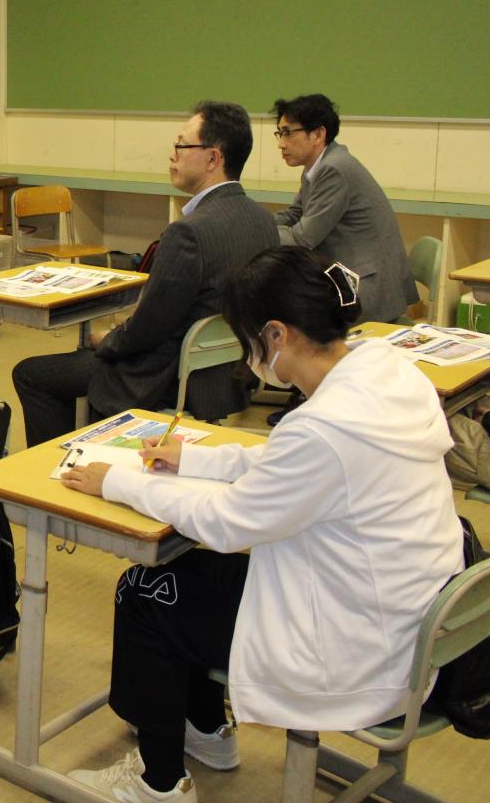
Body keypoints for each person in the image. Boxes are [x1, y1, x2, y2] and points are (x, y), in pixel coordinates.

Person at [59, 246, 462, 803]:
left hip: (356, 649)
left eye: (246, 341)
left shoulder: (324, 429)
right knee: (193, 568)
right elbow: (290, 468)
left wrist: (119, 482)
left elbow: (229, 522)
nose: (245, 358)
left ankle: (157, 783)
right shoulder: (385, 372)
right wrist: (190, 458)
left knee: (145, 588)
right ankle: (208, 730)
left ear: (275, 335)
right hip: (404, 616)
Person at [12, 101, 277, 447]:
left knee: (32, 374)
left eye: (181, 146)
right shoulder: (263, 221)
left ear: (214, 158)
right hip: (228, 372)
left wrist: (107, 338)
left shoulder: (189, 233)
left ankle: (48, 478)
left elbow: (148, 329)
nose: (172, 156)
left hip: (166, 376)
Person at [272, 93, 416, 323]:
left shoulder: (334, 169)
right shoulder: (319, 165)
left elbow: (303, 238)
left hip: (365, 289)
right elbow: (294, 214)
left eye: (288, 133)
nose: (281, 143)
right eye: (279, 133)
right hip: (348, 276)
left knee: (289, 316)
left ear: (318, 134)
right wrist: (254, 221)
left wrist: (256, 234)